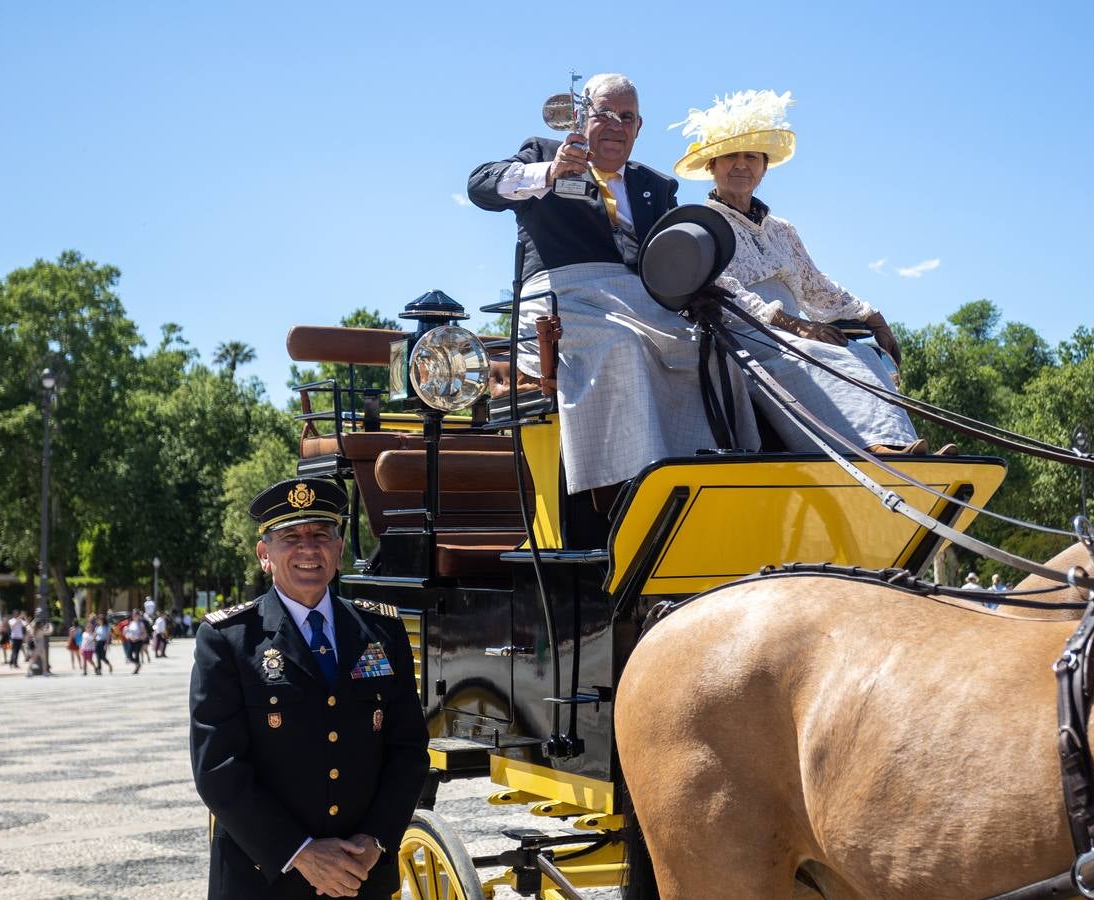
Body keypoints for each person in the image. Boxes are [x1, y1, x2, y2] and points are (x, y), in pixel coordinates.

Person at [467, 73, 760, 500]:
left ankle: (719, 475)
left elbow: (674, 255)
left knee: (713, 349)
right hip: (563, 296)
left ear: (639, 128)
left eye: (627, 117)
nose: (616, 125)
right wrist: (549, 173)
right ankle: (629, 486)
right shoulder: (543, 153)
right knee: (621, 345)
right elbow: (479, 185)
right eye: (604, 113)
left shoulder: (656, 186)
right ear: (582, 115)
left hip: (640, 300)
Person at [672, 90, 952, 456]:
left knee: (864, 355)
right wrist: (793, 324)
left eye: (751, 157)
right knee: (816, 354)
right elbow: (725, 291)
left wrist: (871, 315)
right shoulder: (701, 224)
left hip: (790, 330)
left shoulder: (782, 230)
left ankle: (896, 445)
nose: (741, 165)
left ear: (764, 166)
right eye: (730, 156)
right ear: (712, 165)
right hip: (742, 332)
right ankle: (868, 451)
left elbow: (815, 284)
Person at [189, 477, 428, 899]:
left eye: (321, 534)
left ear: (339, 550)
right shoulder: (228, 639)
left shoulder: (382, 630)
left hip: (361, 875)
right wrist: (301, 853)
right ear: (265, 555)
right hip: (264, 877)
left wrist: (374, 840)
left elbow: (407, 749)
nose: (308, 548)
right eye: (290, 537)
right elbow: (218, 768)